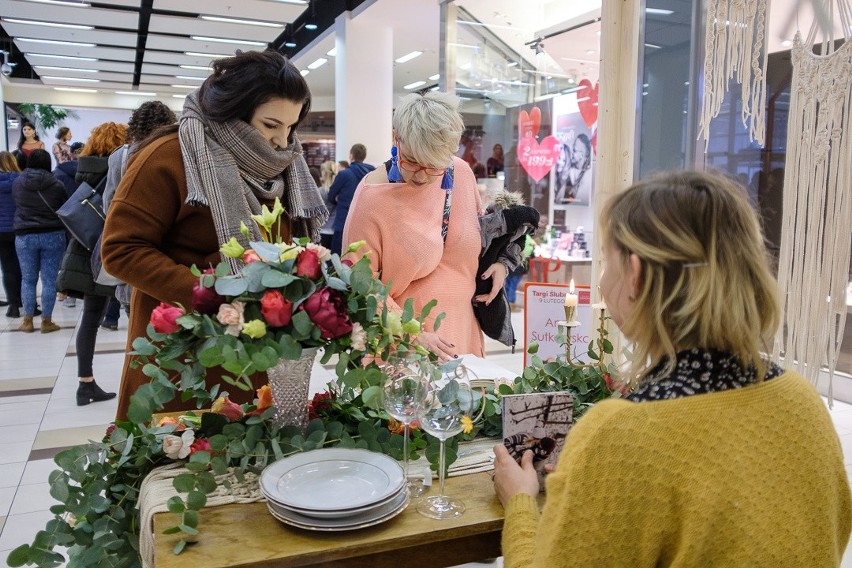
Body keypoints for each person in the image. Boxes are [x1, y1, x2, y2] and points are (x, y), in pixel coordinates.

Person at [492, 170, 852, 567]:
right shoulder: (803, 402)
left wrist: (521, 503)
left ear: (636, 275)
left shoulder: (623, 433)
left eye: (607, 262)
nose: (601, 281)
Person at [102, 49, 327, 420]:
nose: (282, 142)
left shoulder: (284, 167)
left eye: (290, 127)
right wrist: (214, 296)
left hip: (254, 351)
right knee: (183, 464)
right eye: (271, 125)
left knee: (249, 460)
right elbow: (121, 250)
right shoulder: (169, 155)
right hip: (184, 353)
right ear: (235, 112)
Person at [343, 91, 507, 360]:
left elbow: (480, 236)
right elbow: (359, 283)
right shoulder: (371, 198)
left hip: (463, 332)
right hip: (404, 346)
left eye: (434, 165)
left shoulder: (461, 173)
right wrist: (411, 334)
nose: (422, 175)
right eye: (412, 160)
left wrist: (501, 262)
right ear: (396, 138)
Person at [58, 122, 126, 406]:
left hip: (84, 247)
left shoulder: (79, 169)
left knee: (89, 319)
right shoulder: (119, 168)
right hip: (112, 249)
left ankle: (85, 383)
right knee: (132, 311)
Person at [100, 100, 177, 321]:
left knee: (136, 327)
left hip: (132, 256)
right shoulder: (172, 153)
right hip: (166, 255)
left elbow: (109, 205)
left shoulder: (120, 156)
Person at [11, 150, 66, 333]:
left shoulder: (18, 183)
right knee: (49, 280)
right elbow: (64, 208)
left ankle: (27, 321)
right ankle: (46, 321)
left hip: (25, 236)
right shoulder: (57, 184)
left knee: (28, 279)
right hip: (53, 234)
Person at [328, 143, 374, 255]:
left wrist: (337, 200)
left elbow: (330, 196)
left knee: (337, 259)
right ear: (363, 157)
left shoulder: (344, 174)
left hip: (343, 222)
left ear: (351, 156)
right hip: (365, 224)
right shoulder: (371, 174)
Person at [0, 151, 23, 318]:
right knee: (23, 267)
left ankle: (13, 305)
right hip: (18, 228)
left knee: (7, 268)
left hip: (1, 231)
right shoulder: (20, 180)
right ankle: (25, 301)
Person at [318, 160, 338, 250]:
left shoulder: (320, 191)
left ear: (324, 173)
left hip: (322, 230)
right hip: (335, 231)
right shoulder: (339, 190)